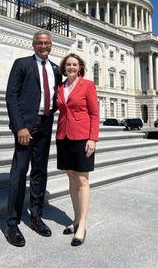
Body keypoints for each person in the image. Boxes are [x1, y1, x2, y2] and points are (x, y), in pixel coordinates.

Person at [5, 30, 61, 247]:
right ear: (33, 44)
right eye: (39, 43)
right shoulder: (22, 64)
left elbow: (55, 96)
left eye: (47, 43)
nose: (43, 46)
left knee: (39, 171)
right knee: (19, 172)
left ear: (51, 45)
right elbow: (11, 95)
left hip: (45, 125)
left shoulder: (55, 69)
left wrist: (51, 112)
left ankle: (36, 216)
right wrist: (20, 127)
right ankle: (12, 223)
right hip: (26, 128)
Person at [56, 53, 99, 246]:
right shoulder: (60, 86)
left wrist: (92, 138)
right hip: (63, 136)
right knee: (71, 177)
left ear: (80, 67)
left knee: (82, 179)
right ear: (64, 68)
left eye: (74, 64)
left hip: (82, 137)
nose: (71, 67)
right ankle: (75, 219)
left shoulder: (87, 85)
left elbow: (94, 113)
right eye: (68, 65)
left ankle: (82, 224)